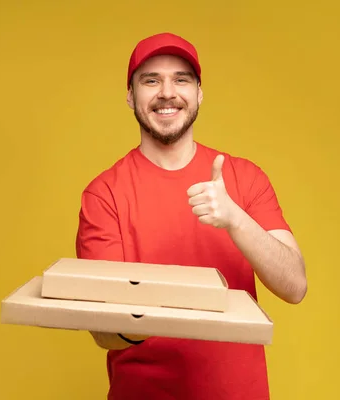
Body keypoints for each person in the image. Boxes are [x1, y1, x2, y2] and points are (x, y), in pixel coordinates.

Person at [75, 32, 307, 400]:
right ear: (130, 96)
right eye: (151, 80)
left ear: (199, 93)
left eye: (181, 79)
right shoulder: (104, 195)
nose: (167, 92)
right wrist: (179, 304)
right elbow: (103, 332)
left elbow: (294, 286)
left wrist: (235, 218)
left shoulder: (245, 178)